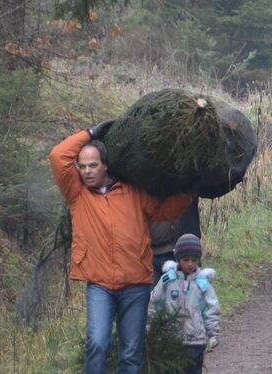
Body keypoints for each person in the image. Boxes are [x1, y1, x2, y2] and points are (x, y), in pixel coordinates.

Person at [49, 122, 193, 373]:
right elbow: (58, 156)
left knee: (130, 353)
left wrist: (187, 191)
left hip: (135, 282)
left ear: (106, 166)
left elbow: (162, 211)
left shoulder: (132, 191)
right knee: (97, 342)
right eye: (81, 166)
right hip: (100, 285)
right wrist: (91, 133)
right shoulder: (77, 194)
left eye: (93, 165)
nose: (87, 171)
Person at [148, 234, 220, 374]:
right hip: (169, 339)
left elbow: (211, 309)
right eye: (186, 260)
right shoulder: (168, 281)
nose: (190, 264)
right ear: (178, 258)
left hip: (195, 340)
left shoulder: (203, 285)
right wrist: (149, 327)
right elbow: (154, 303)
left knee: (193, 370)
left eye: (194, 260)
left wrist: (213, 334)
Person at [149, 196, 201, 283]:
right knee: (155, 294)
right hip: (152, 252)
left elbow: (213, 189)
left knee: (191, 293)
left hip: (189, 250)